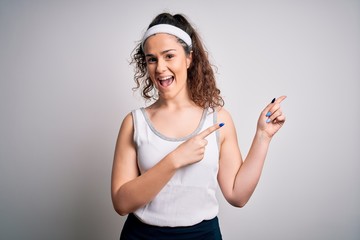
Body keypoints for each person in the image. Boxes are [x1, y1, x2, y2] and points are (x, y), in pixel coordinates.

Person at [111, 12, 286, 240]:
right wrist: (175, 160)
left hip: (202, 235)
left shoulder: (217, 120)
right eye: (152, 59)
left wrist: (263, 136)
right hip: (142, 235)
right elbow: (121, 203)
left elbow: (237, 195)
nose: (160, 67)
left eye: (169, 56)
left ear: (188, 58)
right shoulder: (134, 123)